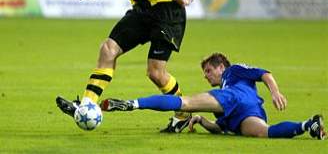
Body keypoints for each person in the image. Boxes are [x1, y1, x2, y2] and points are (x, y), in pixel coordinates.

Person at [56, 0, 193, 133]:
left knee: (156, 73)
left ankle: (184, 112)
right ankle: (87, 104)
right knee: (108, 49)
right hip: (142, 12)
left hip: (167, 12)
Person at [100, 53, 326, 140]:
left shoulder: (233, 71)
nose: (206, 76)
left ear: (221, 67)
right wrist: (201, 120)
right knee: (263, 133)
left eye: (208, 70)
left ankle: (132, 104)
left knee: (185, 102)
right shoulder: (223, 96)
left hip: (234, 99)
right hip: (248, 111)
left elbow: (264, 74)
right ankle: (308, 125)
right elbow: (221, 129)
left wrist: (275, 91)